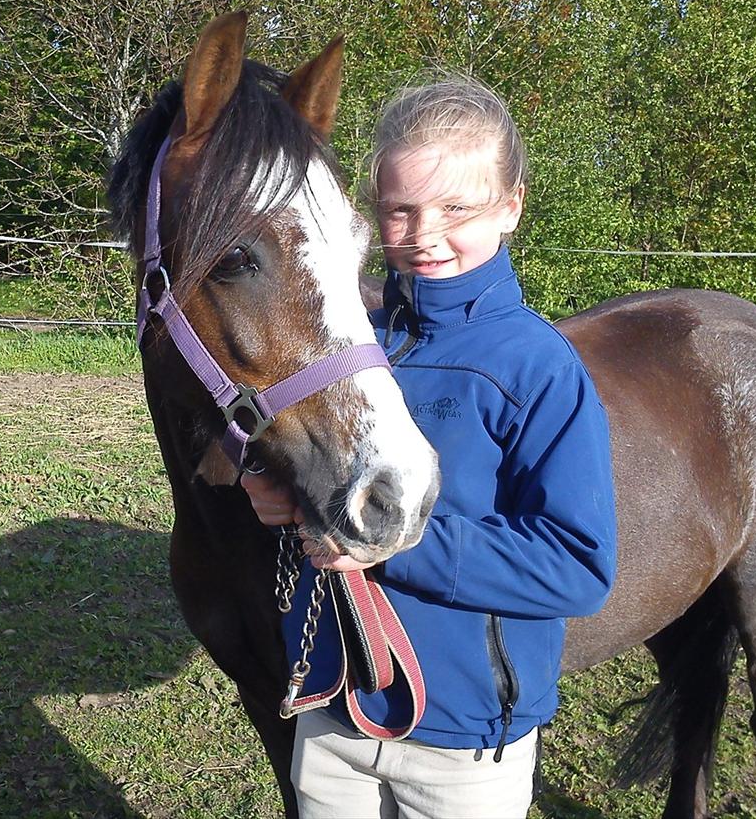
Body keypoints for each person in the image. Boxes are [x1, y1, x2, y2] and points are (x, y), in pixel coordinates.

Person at [241, 75, 617, 819]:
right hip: (333, 710)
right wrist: (272, 478)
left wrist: (396, 546)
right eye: (399, 211)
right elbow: (312, 449)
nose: (424, 234)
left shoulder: (535, 367)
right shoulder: (352, 346)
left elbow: (578, 569)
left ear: (511, 204)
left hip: (463, 745)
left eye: (457, 208)